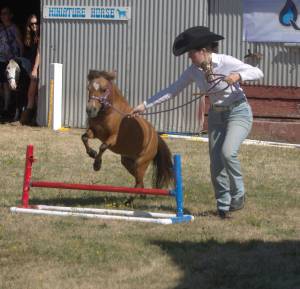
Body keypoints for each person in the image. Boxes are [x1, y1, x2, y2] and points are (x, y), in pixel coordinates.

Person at [131, 26, 264, 219]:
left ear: (203, 50)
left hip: (238, 111)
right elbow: (172, 90)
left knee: (228, 152)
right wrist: (144, 105)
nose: (189, 57)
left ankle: (239, 194)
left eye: (191, 53)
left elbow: (257, 72)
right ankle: (223, 207)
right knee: (216, 162)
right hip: (216, 116)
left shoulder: (226, 61)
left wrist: (238, 75)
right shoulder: (193, 71)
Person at [0, 6, 23, 120]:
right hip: (0, 59)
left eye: (5, 13)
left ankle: (7, 109)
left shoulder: (14, 28)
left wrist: (21, 59)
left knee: (9, 85)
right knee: (2, 85)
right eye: (2, 14)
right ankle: (4, 107)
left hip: (11, 61)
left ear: (10, 15)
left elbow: (20, 44)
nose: (3, 16)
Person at [20, 14, 40, 125]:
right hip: (33, 66)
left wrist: (35, 69)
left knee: (33, 94)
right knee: (32, 94)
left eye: (36, 23)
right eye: (31, 23)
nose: (34, 25)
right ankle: (30, 119)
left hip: (38, 67)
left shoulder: (41, 36)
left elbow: (39, 53)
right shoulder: (31, 38)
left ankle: (30, 119)